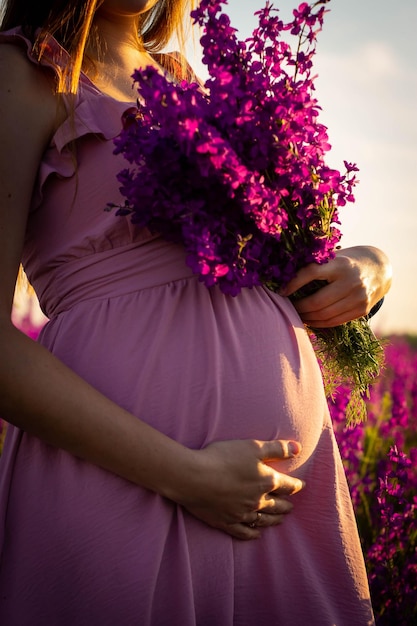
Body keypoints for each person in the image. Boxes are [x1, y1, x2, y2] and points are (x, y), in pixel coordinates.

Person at [0, 1, 392, 624]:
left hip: (279, 494)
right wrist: (187, 476)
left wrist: (372, 267)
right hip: (124, 482)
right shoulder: (23, 70)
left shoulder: (188, 81)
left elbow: (275, 253)